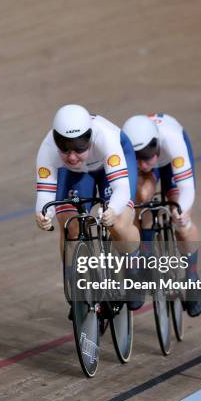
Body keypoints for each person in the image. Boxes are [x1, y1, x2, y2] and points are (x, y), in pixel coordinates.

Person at [35, 104, 143, 311]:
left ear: (90, 137)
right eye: (64, 148)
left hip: (109, 167)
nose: (72, 156)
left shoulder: (106, 138)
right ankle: (75, 281)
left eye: (79, 147)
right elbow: (44, 195)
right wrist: (42, 215)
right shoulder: (47, 149)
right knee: (69, 223)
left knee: (119, 223)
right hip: (75, 173)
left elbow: (121, 188)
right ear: (56, 139)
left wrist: (112, 209)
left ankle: (133, 269)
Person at [122, 113, 201, 317]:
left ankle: (192, 276)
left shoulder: (173, 141)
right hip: (156, 164)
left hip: (171, 162)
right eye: (137, 158)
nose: (142, 164)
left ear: (156, 144)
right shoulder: (127, 148)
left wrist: (180, 212)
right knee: (141, 195)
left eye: (147, 156)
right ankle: (147, 246)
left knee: (181, 220)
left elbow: (186, 188)